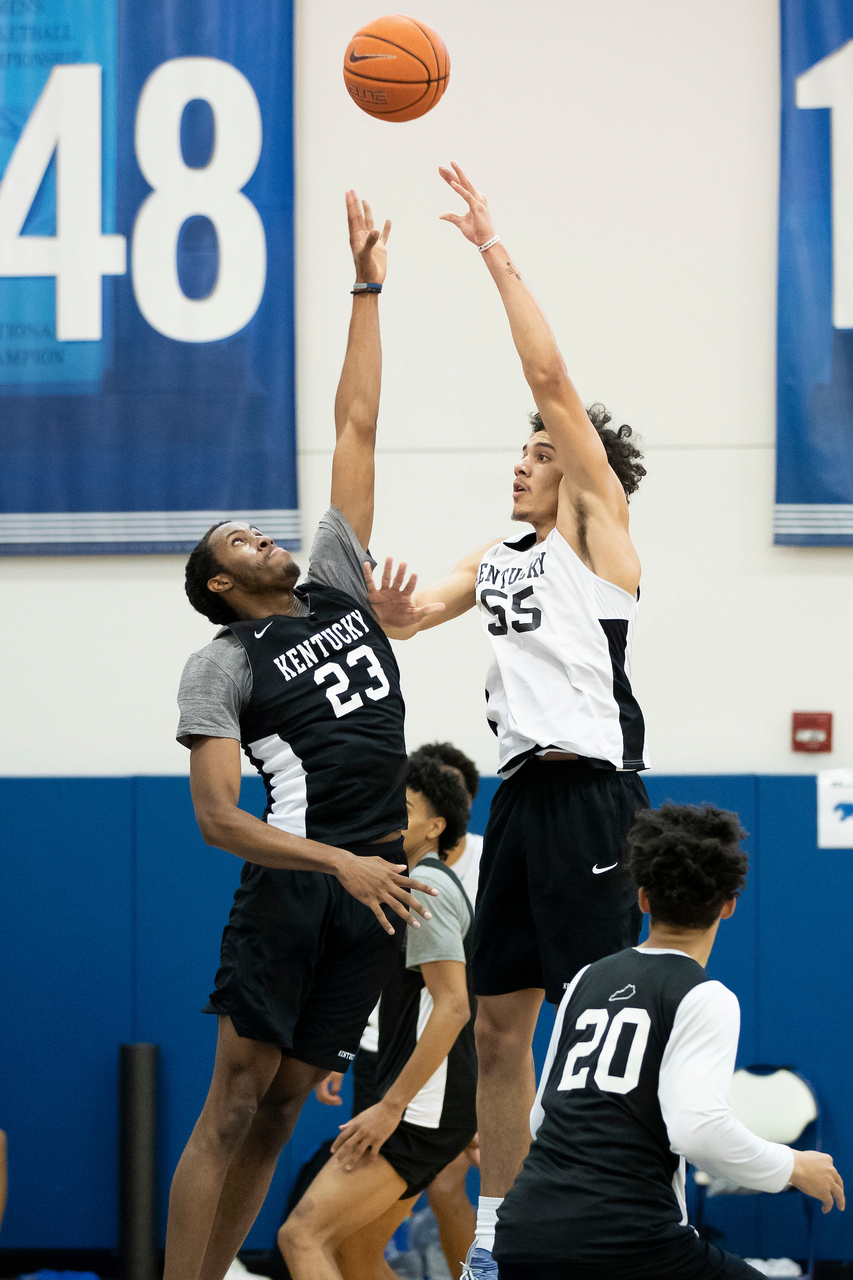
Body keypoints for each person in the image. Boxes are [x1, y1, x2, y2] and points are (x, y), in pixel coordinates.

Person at [363, 163, 650, 1276]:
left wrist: (491, 247)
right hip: (520, 798)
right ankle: (498, 1236)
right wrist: (394, 612)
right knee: (496, 1027)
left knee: (599, 1018)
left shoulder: (598, 532)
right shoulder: (500, 557)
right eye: (520, 450)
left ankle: (627, 1213)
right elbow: (422, 610)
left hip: (591, 793)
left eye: (538, 451)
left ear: (576, 469)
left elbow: (549, 376)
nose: (520, 461)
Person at [164, 192, 442, 1280]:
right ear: (220, 584)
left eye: (257, 527)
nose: (262, 533)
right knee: (233, 1101)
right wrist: (335, 861)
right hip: (297, 884)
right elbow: (215, 818)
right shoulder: (224, 661)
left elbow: (356, 425)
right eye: (239, 540)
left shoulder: (336, 583)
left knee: (285, 1107)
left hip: (375, 893)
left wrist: (367, 284)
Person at [491, 802, 845, 1280]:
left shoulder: (586, 979)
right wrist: (794, 1166)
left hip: (524, 1233)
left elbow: (542, 1117)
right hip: (626, 1239)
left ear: (642, 899)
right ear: (728, 904)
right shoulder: (703, 996)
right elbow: (697, 1129)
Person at [279, 754, 477, 1280]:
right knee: (356, 1254)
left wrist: (391, 1106)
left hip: (420, 1111)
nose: (390, 815)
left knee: (301, 1236)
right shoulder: (404, 883)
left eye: (405, 808)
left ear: (436, 827)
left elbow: (454, 1006)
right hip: (420, 1101)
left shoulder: (427, 889)